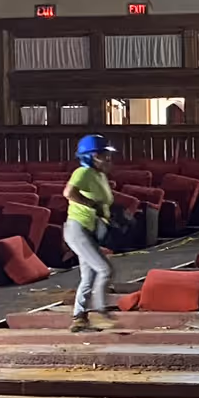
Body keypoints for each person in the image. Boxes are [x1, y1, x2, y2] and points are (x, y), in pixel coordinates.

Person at [63, 134, 117, 332]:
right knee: (104, 269)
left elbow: (104, 202)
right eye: (104, 155)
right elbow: (68, 193)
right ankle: (102, 309)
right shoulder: (82, 172)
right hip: (78, 229)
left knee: (89, 276)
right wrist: (91, 205)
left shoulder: (100, 176)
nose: (108, 159)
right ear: (92, 156)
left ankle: (79, 317)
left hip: (90, 230)